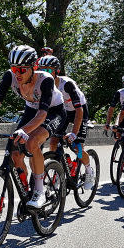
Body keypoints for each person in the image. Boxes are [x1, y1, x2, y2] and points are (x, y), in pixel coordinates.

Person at [0, 45, 66, 209]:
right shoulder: (10, 76)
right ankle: (25, 188)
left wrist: (25, 131)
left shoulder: (45, 80)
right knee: (14, 151)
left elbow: (42, 115)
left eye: (22, 70)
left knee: (32, 142)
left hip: (53, 112)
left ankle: (39, 191)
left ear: (34, 67)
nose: (18, 73)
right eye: (15, 68)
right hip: (31, 109)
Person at [35, 55, 95, 190]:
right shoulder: (42, 84)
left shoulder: (66, 84)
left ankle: (89, 171)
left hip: (78, 111)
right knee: (54, 141)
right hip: (62, 111)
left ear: (57, 71)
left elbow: (79, 111)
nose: (45, 73)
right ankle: (58, 169)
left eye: (49, 70)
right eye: (42, 70)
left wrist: (74, 133)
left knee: (77, 147)